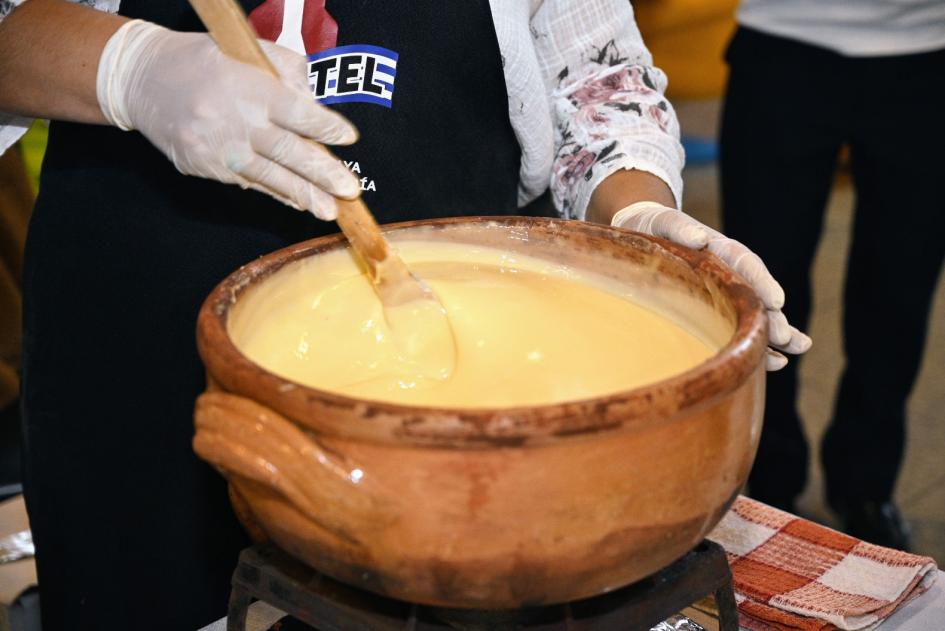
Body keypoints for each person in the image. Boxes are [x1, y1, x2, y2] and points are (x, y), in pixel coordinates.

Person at [0, 0, 809, 628]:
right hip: (133, 362)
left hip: (447, 441)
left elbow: (594, 79)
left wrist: (638, 219)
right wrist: (133, 69)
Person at [720, 0, 945, 549]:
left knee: (899, 290)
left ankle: (866, 484)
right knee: (766, 288)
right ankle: (771, 479)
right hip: (782, 43)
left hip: (926, 54)